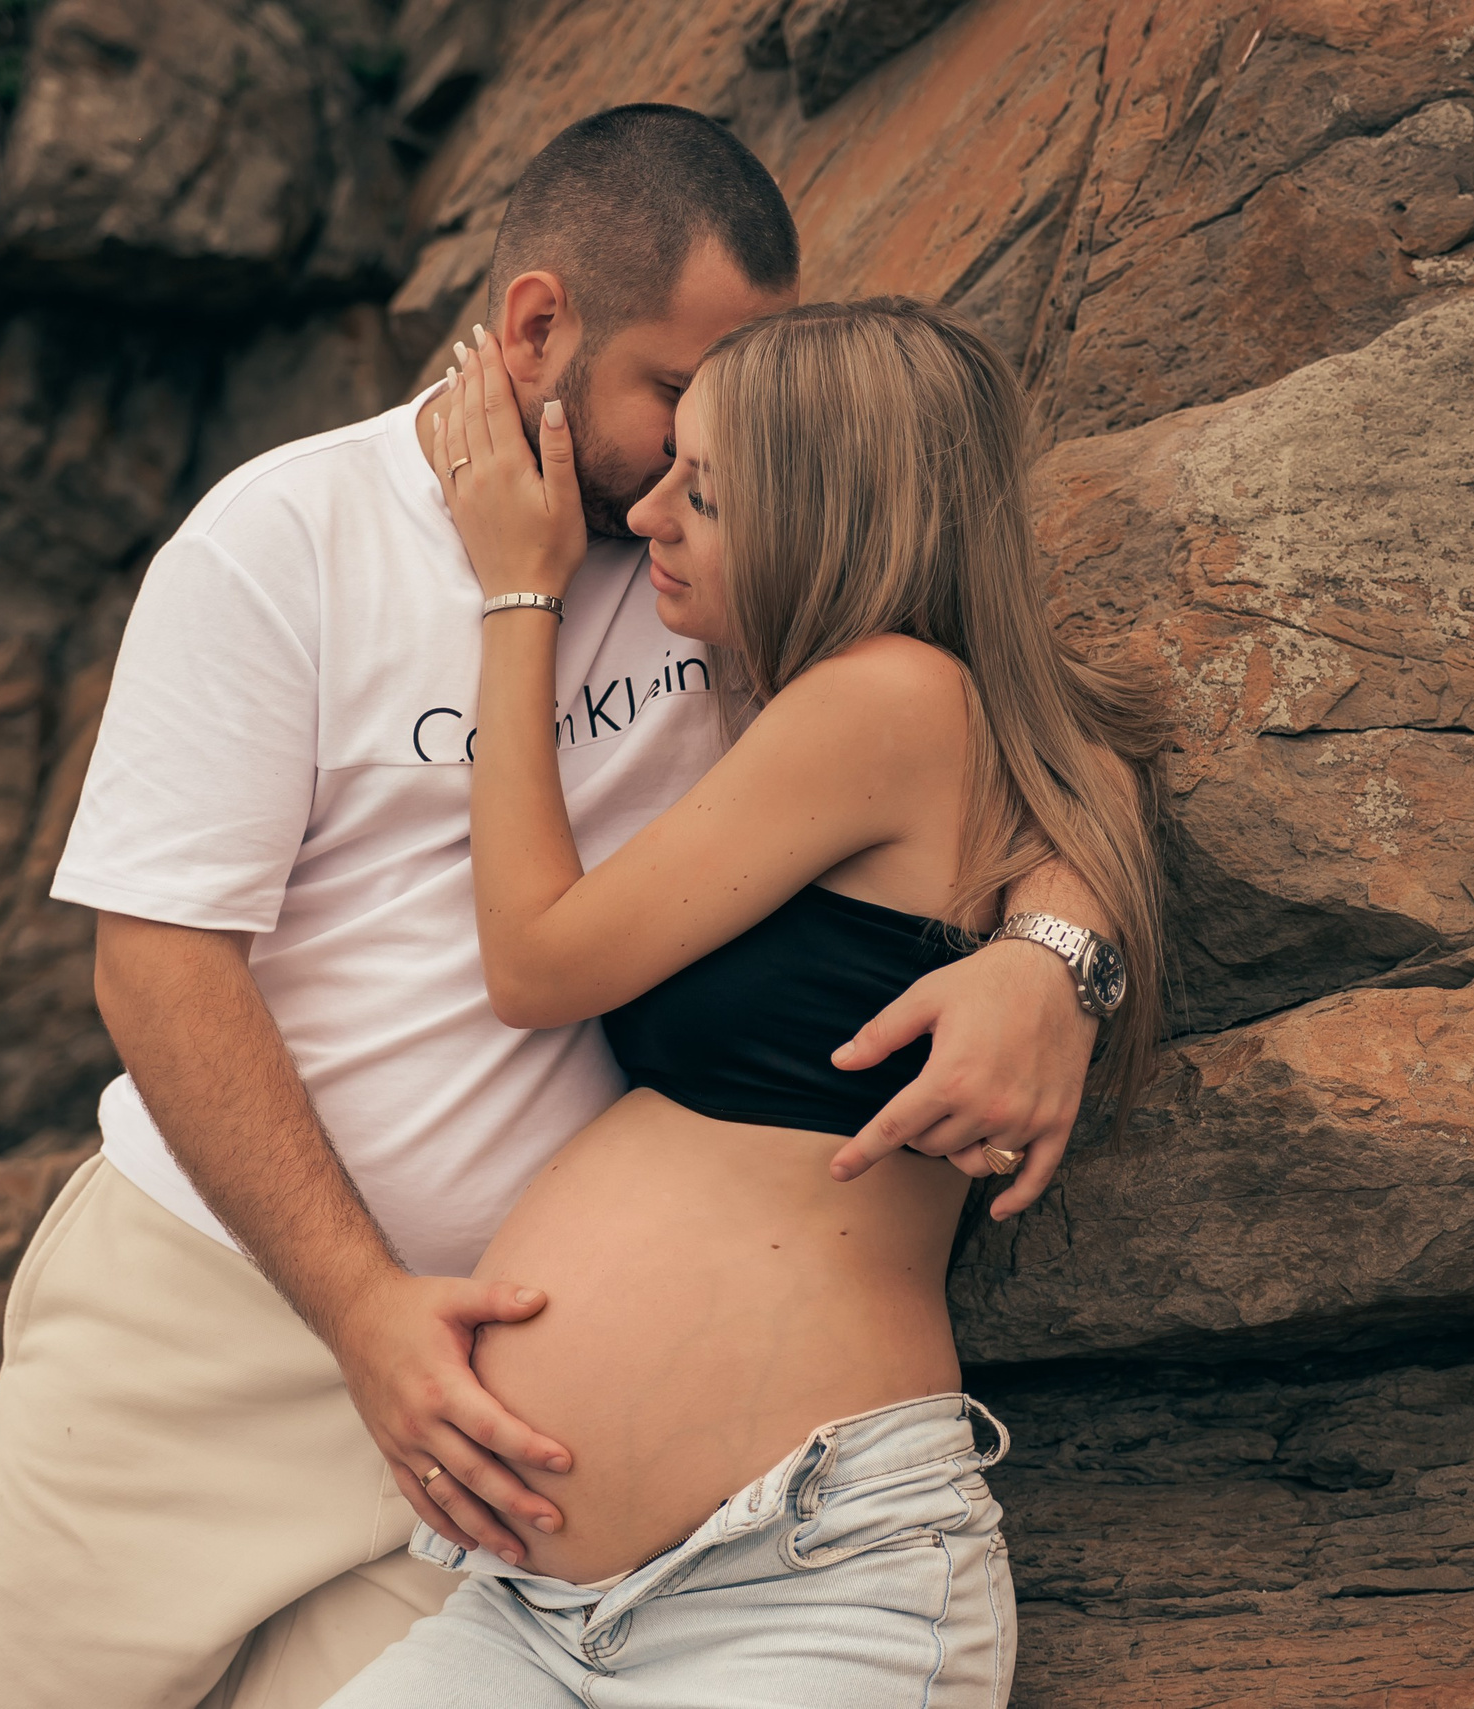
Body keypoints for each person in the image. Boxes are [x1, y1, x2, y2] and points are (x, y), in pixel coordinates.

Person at [0, 106, 1130, 1709]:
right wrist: (359, 1315)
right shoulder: (287, 540)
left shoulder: (731, 567)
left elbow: (1032, 728)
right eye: (684, 396)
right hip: (221, 1316)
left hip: (512, 1418)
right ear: (540, 325)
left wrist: (1056, 952)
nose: (711, 445)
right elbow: (155, 970)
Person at [311, 298, 1166, 1708]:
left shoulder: (885, 696)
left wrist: (518, 591)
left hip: (801, 1589)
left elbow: (532, 961)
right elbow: (1094, 773)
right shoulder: (855, 710)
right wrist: (1060, 946)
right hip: (540, 1609)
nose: (646, 512)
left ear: (830, 514)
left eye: (702, 492)